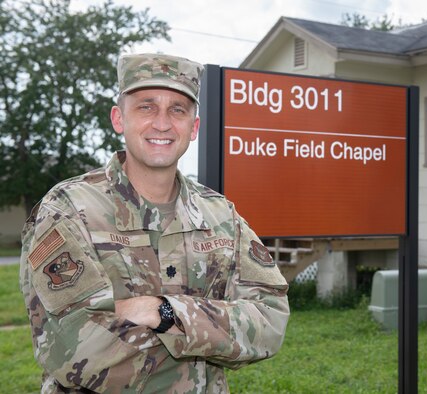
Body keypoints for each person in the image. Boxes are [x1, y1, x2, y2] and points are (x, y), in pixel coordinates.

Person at [19, 53, 289, 393]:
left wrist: (163, 312)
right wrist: (212, 332)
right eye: (146, 106)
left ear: (194, 127)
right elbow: (74, 351)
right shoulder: (69, 209)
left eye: (177, 109)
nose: (162, 123)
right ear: (119, 119)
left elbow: (270, 321)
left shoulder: (221, 216)